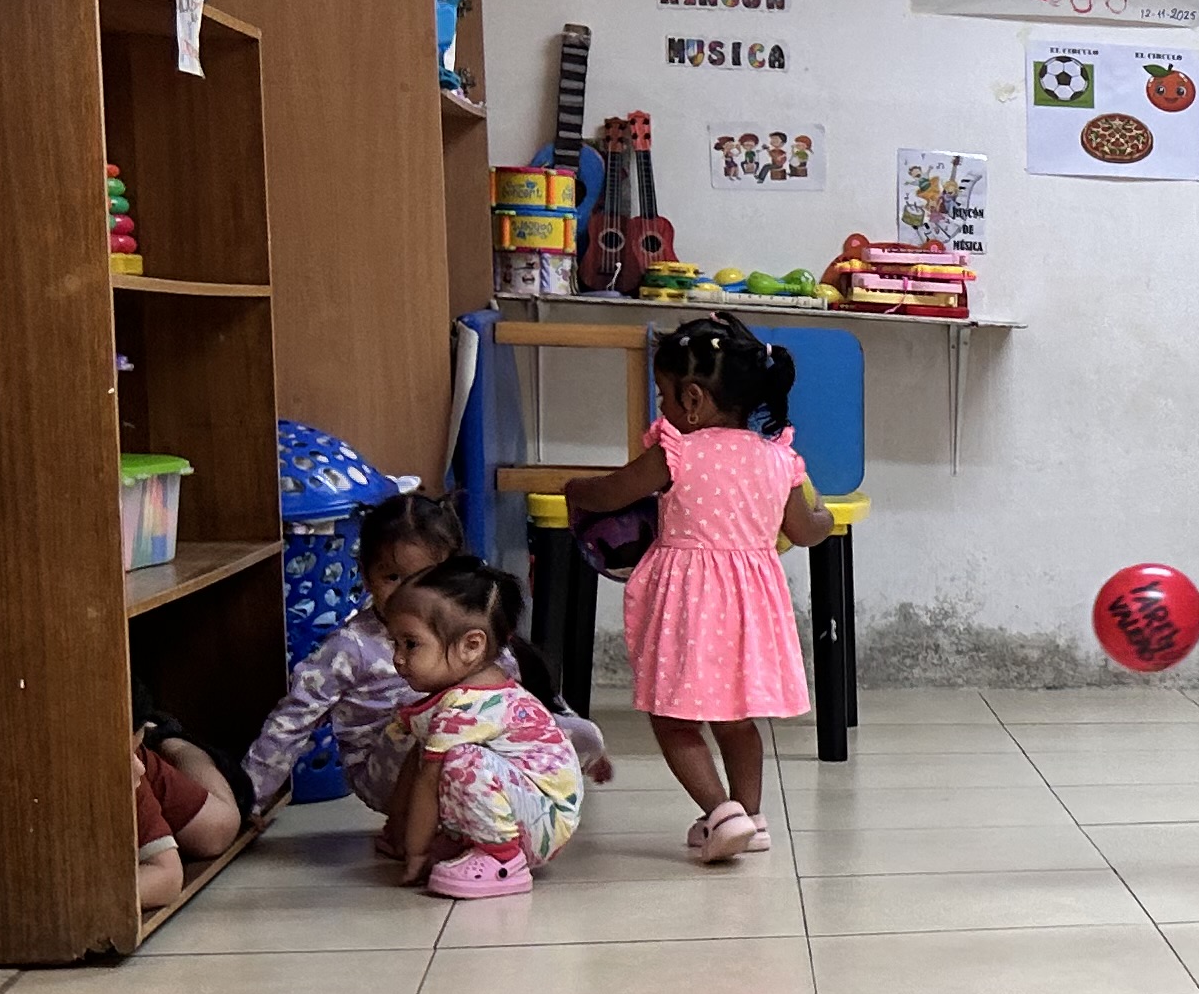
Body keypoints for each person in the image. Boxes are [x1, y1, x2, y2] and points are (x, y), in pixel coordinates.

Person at [562, 313, 829, 863]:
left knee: (672, 717)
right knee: (737, 718)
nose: (661, 407)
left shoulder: (677, 452)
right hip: (751, 609)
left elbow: (612, 493)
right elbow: (805, 531)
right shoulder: (779, 458)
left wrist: (574, 488)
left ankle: (720, 813)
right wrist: (823, 515)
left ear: (692, 399)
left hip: (690, 605)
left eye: (663, 395)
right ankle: (750, 817)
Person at [240, 492, 610, 837]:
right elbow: (292, 720)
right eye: (392, 577)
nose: (407, 592)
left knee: (510, 706)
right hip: (385, 768)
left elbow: (513, 696)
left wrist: (551, 731)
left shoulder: (467, 631)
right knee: (440, 725)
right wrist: (251, 797)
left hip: (458, 750)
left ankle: (546, 771)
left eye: (427, 578)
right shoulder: (350, 648)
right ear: (366, 575)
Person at [380, 559, 588, 899]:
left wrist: (416, 853)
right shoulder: (463, 695)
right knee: (450, 758)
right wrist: (397, 827)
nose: (398, 658)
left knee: (463, 762)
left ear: (471, 646)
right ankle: (476, 841)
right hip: (529, 809)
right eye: (395, 644)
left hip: (546, 821)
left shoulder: (467, 708)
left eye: (410, 644)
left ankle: (503, 859)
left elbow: (426, 782)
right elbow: (416, 765)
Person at [131, 715, 239, 912]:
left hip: (157, 755)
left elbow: (167, 877)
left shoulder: (134, 766)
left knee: (217, 827)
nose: (139, 769)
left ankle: (166, 737)